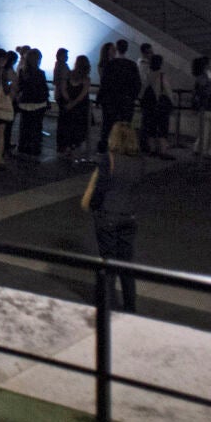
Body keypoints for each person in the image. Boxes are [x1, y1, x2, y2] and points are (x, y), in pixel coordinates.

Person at [89, 122, 146, 312]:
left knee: (108, 262)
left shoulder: (109, 159)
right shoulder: (138, 161)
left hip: (108, 214)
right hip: (128, 215)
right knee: (126, 264)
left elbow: (100, 188)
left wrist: (93, 206)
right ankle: (130, 305)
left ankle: (108, 303)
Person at [98, 41, 141, 150]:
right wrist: (132, 97)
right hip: (126, 101)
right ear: (126, 49)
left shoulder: (110, 65)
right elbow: (137, 84)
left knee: (108, 124)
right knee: (125, 124)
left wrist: (101, 98)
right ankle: (124, 146)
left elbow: (104, 83)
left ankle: (106, 145)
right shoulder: (132, 65)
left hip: (111, 100)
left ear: (117, 49)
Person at [56, 53, 93, 163]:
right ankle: (73, 149)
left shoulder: (68, 75)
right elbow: (83, 94)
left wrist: (68, 101)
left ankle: (65, 148)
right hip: (79, 108)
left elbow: (63, 89)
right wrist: (74, 103)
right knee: (77, 129)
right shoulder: (86, 79)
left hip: (66, 106)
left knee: (65, 127)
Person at [15, 49, 50, 158]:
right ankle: (34, 148)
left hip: (25, 102)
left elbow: (20, 87)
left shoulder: (22, 72)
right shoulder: (40, 73)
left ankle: (23, 146)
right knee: (36, 126)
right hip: (38, 103)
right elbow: (44, 89)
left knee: (25, 126)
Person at [139, 53, 174, 159]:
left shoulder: (147, 75)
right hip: (161, 107)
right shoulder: (162, 75)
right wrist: (171, 103)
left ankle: (152, 149)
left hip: (149, 106)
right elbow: (168, 91)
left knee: (151, 128)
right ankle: (163, 151)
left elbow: (142, 92)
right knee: (163, 129)